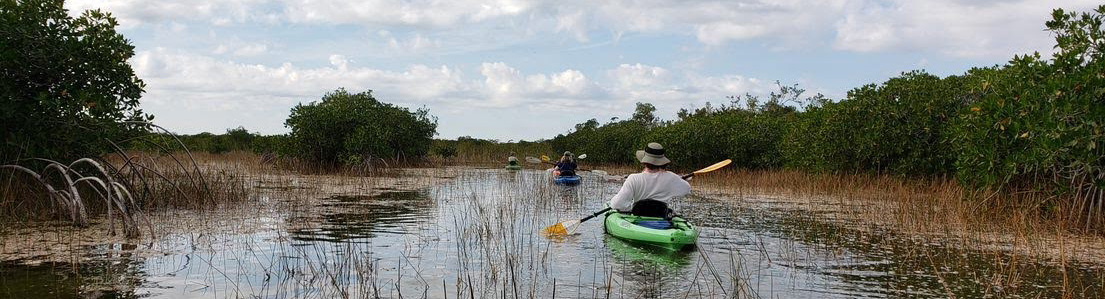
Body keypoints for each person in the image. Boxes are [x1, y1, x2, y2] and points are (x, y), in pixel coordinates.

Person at [608, 142, 691, 218]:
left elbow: (617, 204)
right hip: (661, 218)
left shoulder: (633, 178)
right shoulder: (672, 177)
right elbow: (686, 189)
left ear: (644, 162)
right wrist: (677, 179)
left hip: (638, 219)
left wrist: (629, 208)